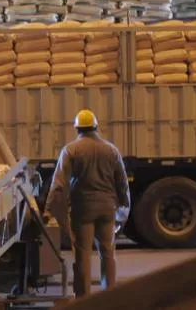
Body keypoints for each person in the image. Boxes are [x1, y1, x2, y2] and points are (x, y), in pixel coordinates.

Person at [43, 109, 131, 297]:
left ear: (77, 129)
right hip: (107, 209)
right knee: (107, 252)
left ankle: (84, 298)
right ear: (96, 126)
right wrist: (123, 210)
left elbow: (58, 183)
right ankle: (110, 295)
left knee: (82, 254)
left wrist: (48, 210)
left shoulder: (71, 150)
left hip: (82, 210)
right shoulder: (112, 150)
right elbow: (122, 184)